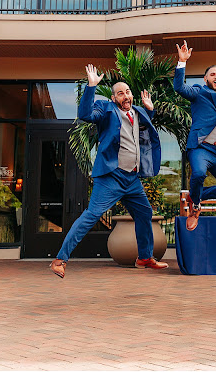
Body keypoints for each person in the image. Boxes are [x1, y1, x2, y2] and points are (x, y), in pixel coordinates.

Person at [49, 64, 168, 278]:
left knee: (144, 213)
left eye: (128, 92)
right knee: (91, 215)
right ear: (114, 98)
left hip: (132, 178)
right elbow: (85, 114)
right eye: (120, 93)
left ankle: (144, 257)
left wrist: (151, 110)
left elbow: (147, 125)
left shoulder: (139, 112)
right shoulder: (106, 110)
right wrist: (91, 86)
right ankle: (60, 260)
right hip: (111, 177)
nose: (125, 96)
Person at [174, 40, 216, 231]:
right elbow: (179, 88)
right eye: (212, 74)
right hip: (201, 148)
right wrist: (182, 62)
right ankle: (195, 208)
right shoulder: (198, 93)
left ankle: (196, 196)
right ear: (206, 79)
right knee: (198, 173)